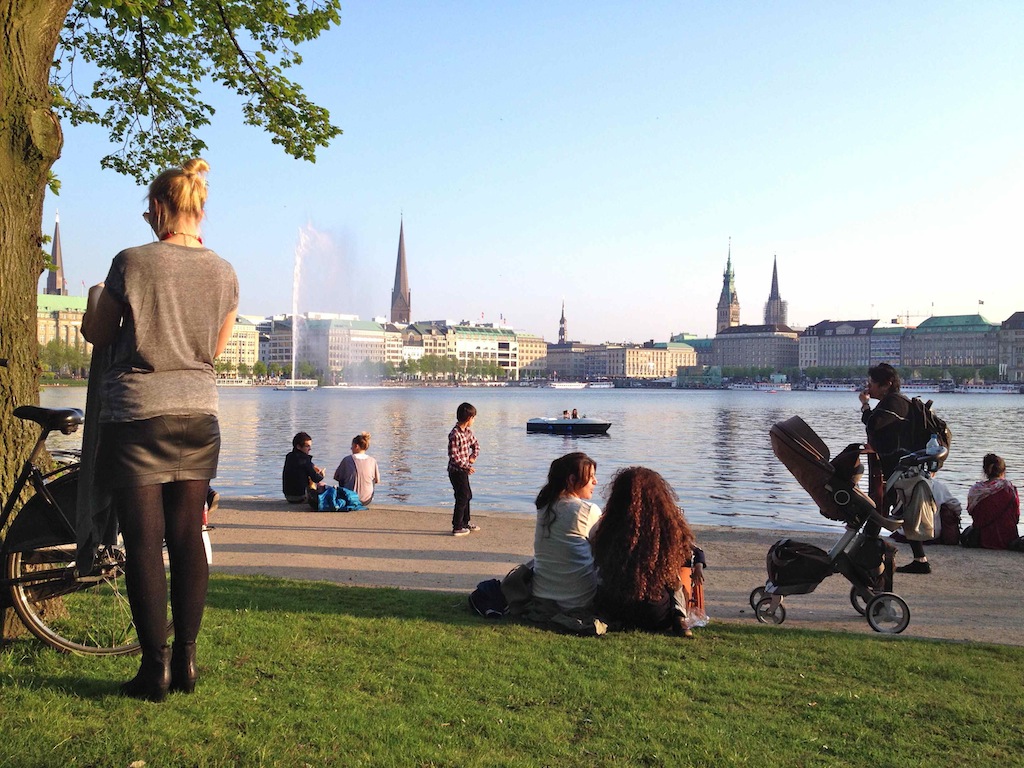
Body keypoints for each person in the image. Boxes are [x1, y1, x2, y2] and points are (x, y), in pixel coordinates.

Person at [81, 158, 238, 701]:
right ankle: (189, 662)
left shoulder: (132, 262)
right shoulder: (225, 271)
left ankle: (156, 670)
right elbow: (214, 350)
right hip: (199, 415)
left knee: (144, 544)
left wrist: (95, 297)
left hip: (138, 415)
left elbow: (100, 334)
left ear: (156, 209)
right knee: (187, 536)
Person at [590, 467, 701, 637]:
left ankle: (605, 617)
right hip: (655, 615)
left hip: (613, 609)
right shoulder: (667, 530)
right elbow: (688, 555)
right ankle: (679, 617)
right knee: (673, 574)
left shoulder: (608, 528)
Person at [858, 363, 931, 573]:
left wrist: (864, 405)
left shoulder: (893, 403)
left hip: (896, 466)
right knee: (891, 506)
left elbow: (873, 424)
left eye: (872, 383)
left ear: (886, 384)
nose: (868, 387)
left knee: (879, 506)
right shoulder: (899, 402)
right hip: (901, 466)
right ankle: (920, 561)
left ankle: (865, 552)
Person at [530, 452, 602, 612]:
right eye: (591, 478)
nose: (595, 482)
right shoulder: (587, 510)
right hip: (579, 600)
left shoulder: (545, 507)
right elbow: (604, 552)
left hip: (541, 596)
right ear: (571, 480)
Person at [965, 454, 1020, 549]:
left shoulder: (975, 491)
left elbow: (972, 513)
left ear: (985, 471)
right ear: (1003, 471)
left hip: (982, 539)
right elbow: (1016, 517)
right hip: (1008, 539)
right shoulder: (1010, 489)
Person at [448, 402, 480, 536]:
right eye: (473, 418)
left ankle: (465, 522)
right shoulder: (455, 434)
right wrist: (467, 466)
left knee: (467, 495)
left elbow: (476, 445)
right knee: (462, 497)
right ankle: (457, 526)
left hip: (464, 470)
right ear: (469, 418)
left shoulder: (467, 432)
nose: (474, 420)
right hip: (456, 471)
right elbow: (454, 457)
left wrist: (473, 456)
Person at [334, 432, 380, 506]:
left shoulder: (347, 460)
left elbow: (337, 477)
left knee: (342, 477)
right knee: (372, 479)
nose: (351, 448)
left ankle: (351, 494)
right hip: (366, 500)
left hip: (348, 498)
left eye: (352, 446)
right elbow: (377, 480)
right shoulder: (372, 461)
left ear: (356, 446)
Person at [282, 431, 325, 504]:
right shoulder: (305, 459)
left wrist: (312, 465)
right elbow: (316, 478)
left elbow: (300, 466)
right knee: (322, 486)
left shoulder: (289, 456)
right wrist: (322, 474)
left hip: (288, 496)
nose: (310, 449)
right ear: (298, 446)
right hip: (300, 497)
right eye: (307, 446)